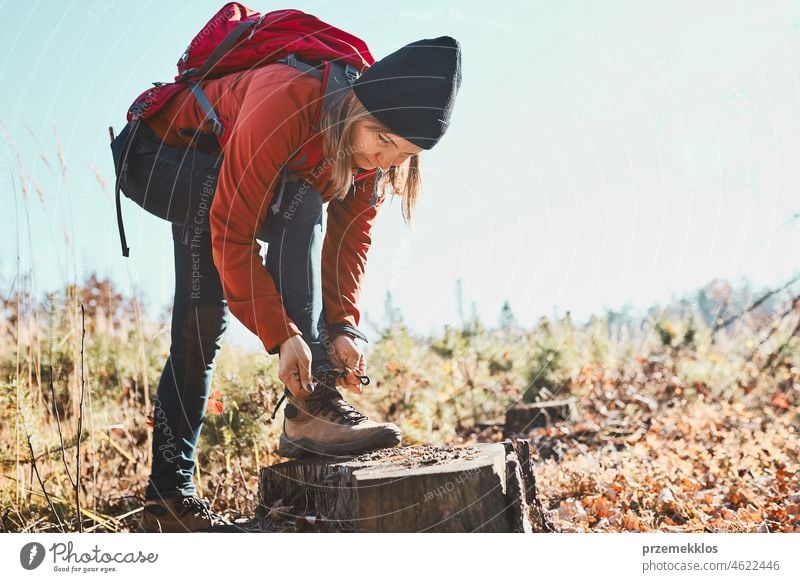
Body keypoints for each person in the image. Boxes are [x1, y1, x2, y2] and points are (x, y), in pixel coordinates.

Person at [132, 36, 462, 532]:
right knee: (202, 321)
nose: (385, 160)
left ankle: (304, 409)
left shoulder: (376, 154)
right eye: (382, 140)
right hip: (164, 154)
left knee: (297, 204)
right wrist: (285, 335)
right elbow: (233, 231)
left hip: (234, 171)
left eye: (404, 154)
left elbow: (349, 241)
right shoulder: (285, 99)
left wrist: (342, 328)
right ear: (358, 105)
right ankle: (301, 414)